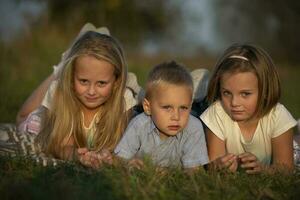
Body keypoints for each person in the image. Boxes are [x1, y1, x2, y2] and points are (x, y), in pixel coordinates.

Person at [9, 23, 140, 168]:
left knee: (139, 100)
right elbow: (60, 146)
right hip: (47, 118)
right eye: (83, 81)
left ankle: (103, 76)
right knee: (22, 118)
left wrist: (105, 157)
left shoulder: (123, 101)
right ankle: (61, 67)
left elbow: (119, 148)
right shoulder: (61, 94)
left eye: (101, 83)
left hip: (118, 89)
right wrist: (75, 155)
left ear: (116, 82)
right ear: (71, 78)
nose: (91, 91)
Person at [200, 44, 297, 174]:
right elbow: (214, 162)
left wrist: (263, 169)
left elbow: (286, 168)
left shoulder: (277, 115)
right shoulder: (217, 113)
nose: (234, 103)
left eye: (245, 94)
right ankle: (199, 94)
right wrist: (219, 166)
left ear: (265, 91)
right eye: (227, 93)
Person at [114, 61, 209, 170]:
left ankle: (198, 96)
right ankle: (133, 89)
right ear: (148, 107)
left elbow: (194, 171)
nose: (176, 117)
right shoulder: (138, 124)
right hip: (142, 110)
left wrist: (169, 173)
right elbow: (120, 157)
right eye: (167, 107)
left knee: (200, 112)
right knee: (135, 108)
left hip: (195, 112)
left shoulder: (194, 127)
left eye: (183, 108)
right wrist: (129, 163)